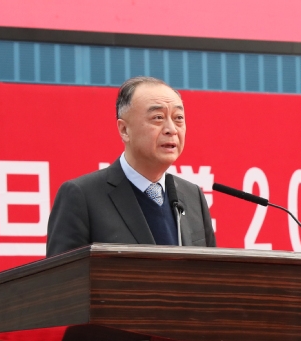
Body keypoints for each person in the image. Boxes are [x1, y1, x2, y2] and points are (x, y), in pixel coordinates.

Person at [46, 76, 216, 257]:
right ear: (124, 130)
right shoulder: (82, 196)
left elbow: (211, 270)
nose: (171, 129)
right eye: (158, 118)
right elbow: (64, 274)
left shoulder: (192, 196)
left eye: (178, 118)